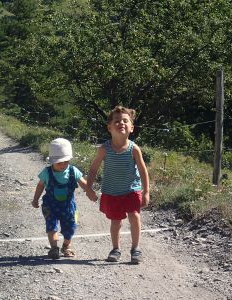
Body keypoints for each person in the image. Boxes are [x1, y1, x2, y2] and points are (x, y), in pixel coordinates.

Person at [87, 106, 150, 264]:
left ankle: (135, 249)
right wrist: (89, 188)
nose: (121, 123)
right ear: (109, 127)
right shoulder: (104, 149)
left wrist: (146, 192)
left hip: (131, 190)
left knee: (134, 216)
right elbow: (93, 168)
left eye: (125, 120)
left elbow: (143, 171)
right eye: (117, 121)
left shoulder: (134, 149)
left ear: (131, 127)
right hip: (112, 192)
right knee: (116, 221)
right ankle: (116, 249)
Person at [32, 138, 97, 259]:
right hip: (50, 206)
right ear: (52, 161)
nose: (62, 165)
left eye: (65, 161)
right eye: (59, 162)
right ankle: (54, 248)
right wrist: (35, 199)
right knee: (51, 226)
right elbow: (40, 185)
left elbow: (83, 183)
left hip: (68, 207)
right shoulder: (47, 172)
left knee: (70, 227)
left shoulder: (73, 171)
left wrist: (90, 192)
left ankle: (66, 245)